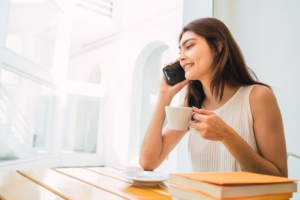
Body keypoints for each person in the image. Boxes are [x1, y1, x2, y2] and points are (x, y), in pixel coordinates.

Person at [139, 17, 288, 177]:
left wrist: (226, 135)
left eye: (189, 46)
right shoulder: (191, 105)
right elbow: (148, 162)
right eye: (179, 51)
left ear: (217, 46)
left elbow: (279, 178)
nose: (181, 57)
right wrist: (164, 97)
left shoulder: (258, 97)